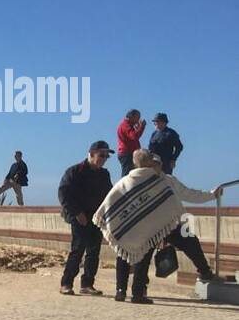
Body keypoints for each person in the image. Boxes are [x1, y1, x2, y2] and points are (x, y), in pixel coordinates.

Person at [94, 149, 223, 303]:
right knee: (127, 249)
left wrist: (211, 194)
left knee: (189, 240)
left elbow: (189, 194)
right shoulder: (130, 181)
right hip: (140, 227)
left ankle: (204, 272)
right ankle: (123, 290)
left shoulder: (167, 180)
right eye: (152, 163)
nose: (155, 166)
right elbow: (113, 202)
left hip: (166, 224)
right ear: (146, 164)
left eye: (157, 164)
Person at [57, 140, 114, 295]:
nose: (103, 159)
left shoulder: (104, 174)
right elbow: (63, 194)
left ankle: (87, 284)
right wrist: (76, 213)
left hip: (97, 217)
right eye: (101, 155)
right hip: (79, 217)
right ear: (91, 154)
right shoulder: (75, 171)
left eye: (106, 156)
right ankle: (66, 283)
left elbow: (109, 195)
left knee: (93, 251)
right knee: (78, 249)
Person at [115, 109, 146, 176]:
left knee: (131, 174)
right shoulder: (125, 125)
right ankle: (124, 186)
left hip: (128, 153)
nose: (138, 120)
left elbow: (134, 137)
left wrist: (138, 129)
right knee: (127, 175)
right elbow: (134, 136)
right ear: (132, 117)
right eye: (137, 117)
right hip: (127, 154)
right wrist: (141, 127)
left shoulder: (127, 125)